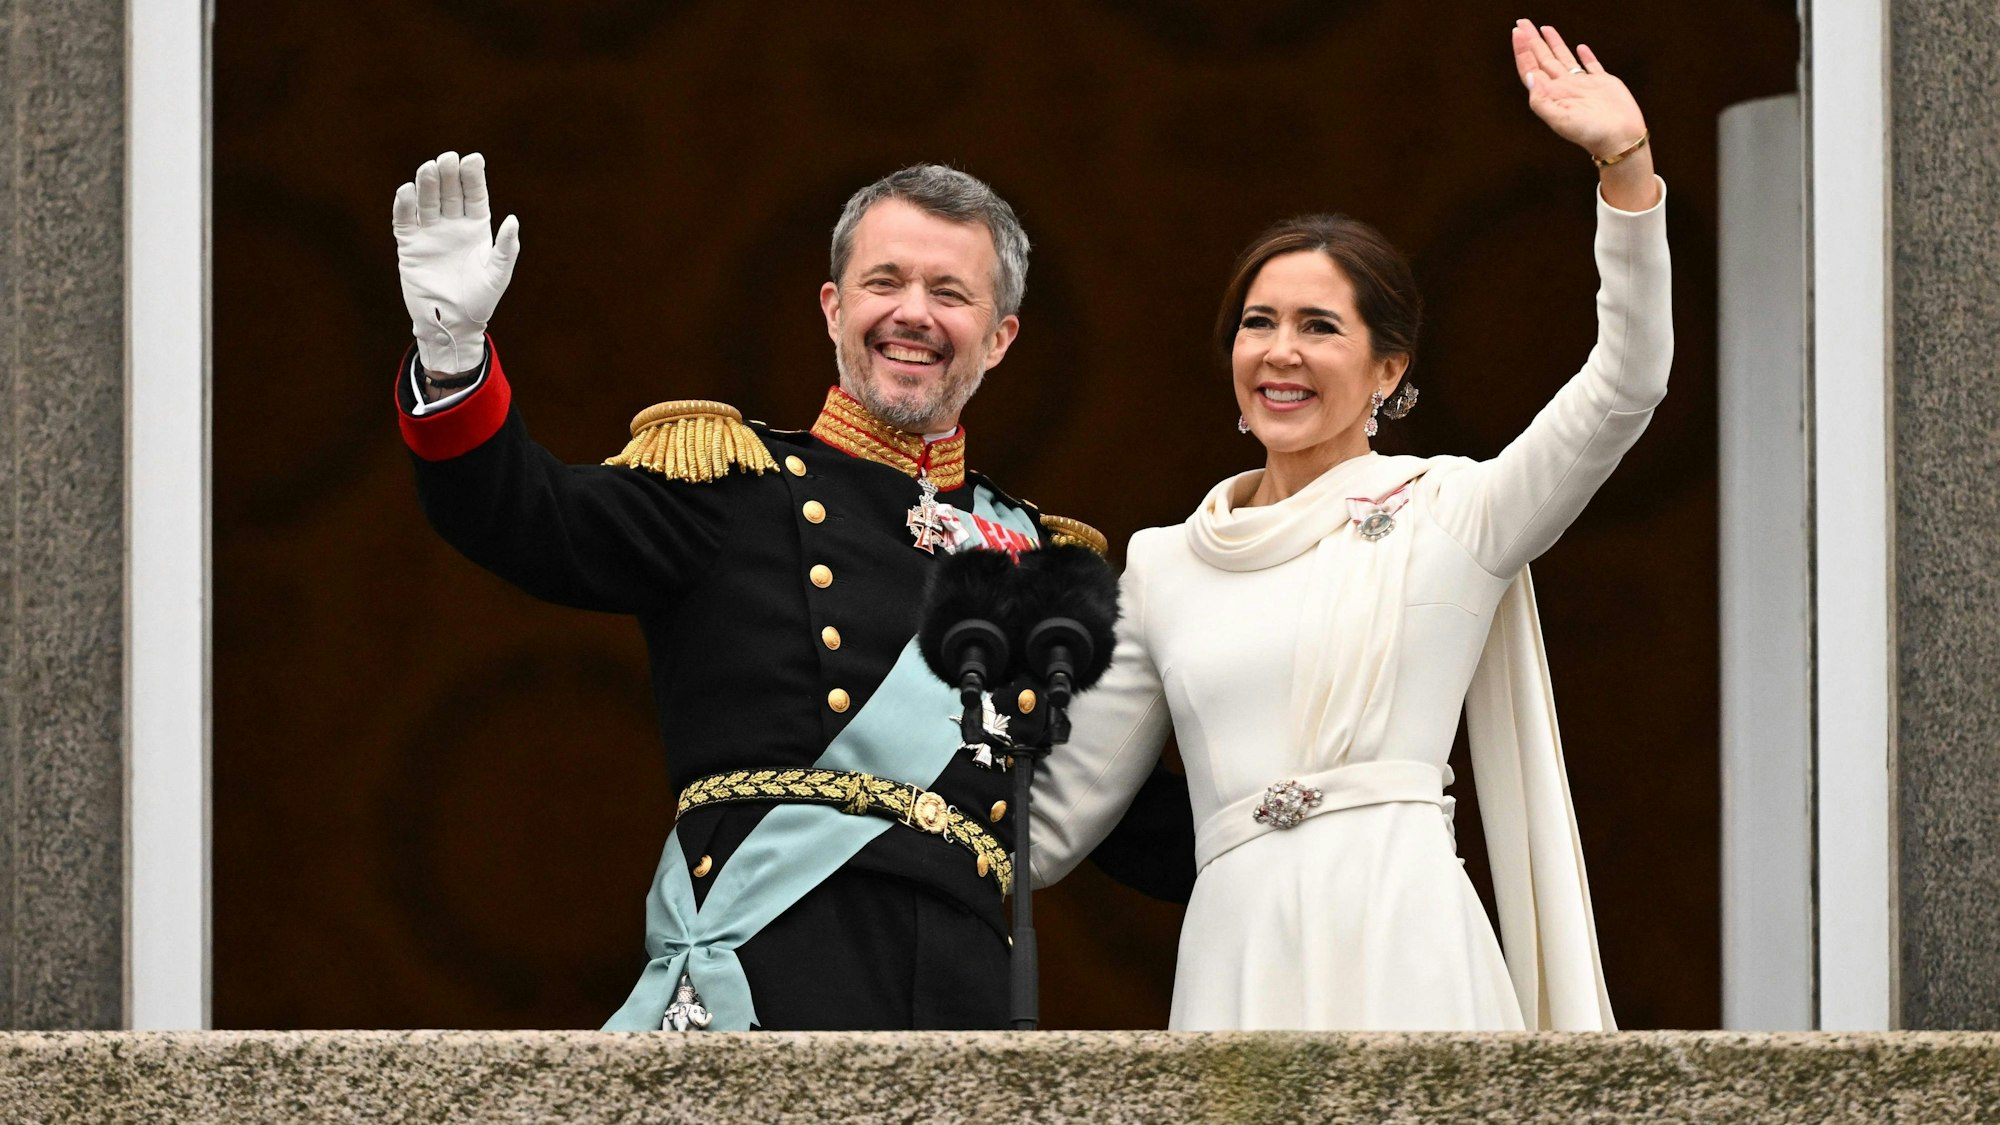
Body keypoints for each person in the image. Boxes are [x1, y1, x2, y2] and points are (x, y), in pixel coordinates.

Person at [389, 157, 1194, 1030]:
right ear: (833, 308)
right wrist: (451, 353)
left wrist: (1338, 819)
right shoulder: (729, 484)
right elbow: (526, 516)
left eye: (949, 292)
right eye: (883, 281)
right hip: (769, 973)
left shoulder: (1039, 563)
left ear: (999, 337)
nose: (912, 312)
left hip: (962, 1000)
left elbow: (1124, 815)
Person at [1026, 20, 1669, 1031]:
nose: (1279, 352)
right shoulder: (1161, 564)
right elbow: (1050, 824)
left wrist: (1622, 172)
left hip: (1402, 934)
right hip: (1236, 955)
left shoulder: (1453, 512)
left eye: (1318, 327)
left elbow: (1624, 386)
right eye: (1257, 322)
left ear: (1387, 369)